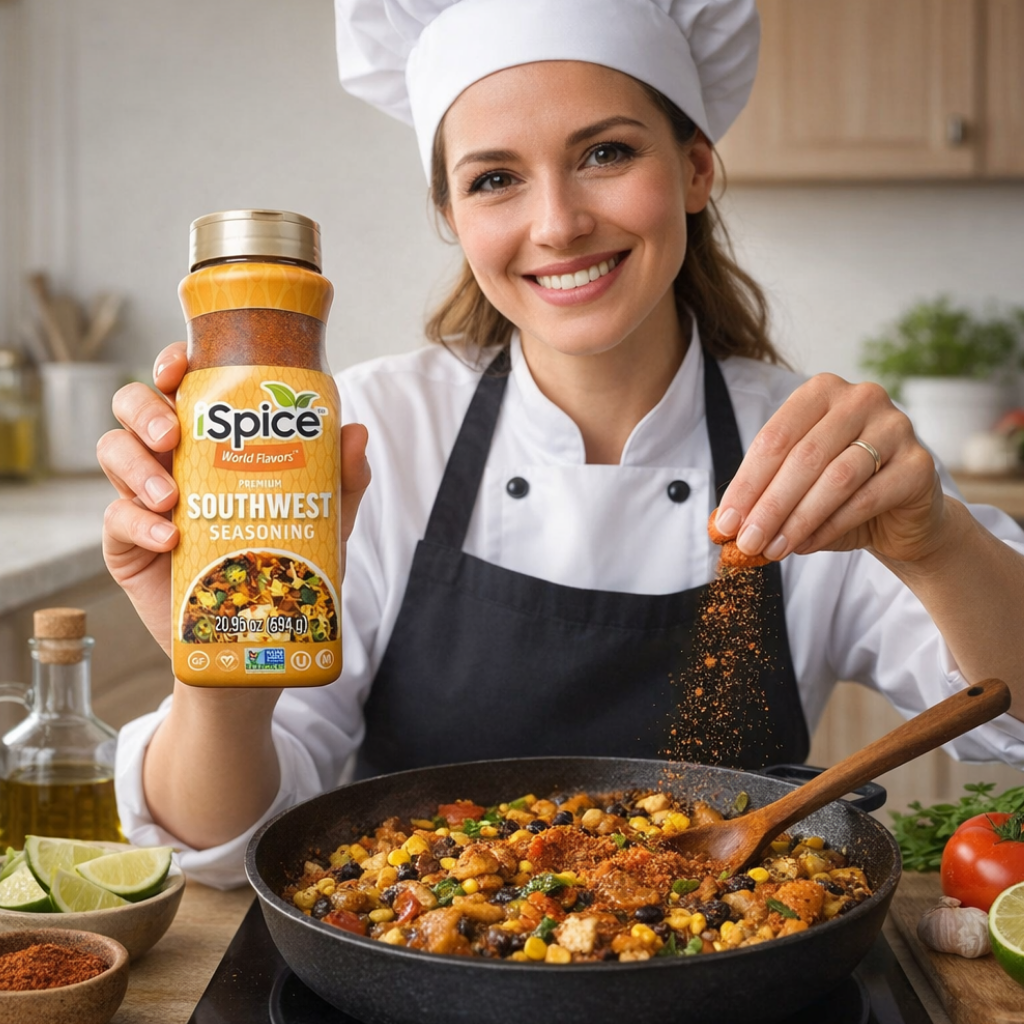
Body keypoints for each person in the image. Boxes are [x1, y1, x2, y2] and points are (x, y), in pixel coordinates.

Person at [99, 0, 1024, 888]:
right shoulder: (361, 438)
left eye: (607, 153)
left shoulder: (809, 449)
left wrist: (937, 541)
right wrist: (213, 668)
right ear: (452, 216)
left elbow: (1013, 714)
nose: (557, 223)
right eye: (494, 178)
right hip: (417, 971)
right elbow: (222, 841)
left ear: (697, 168)